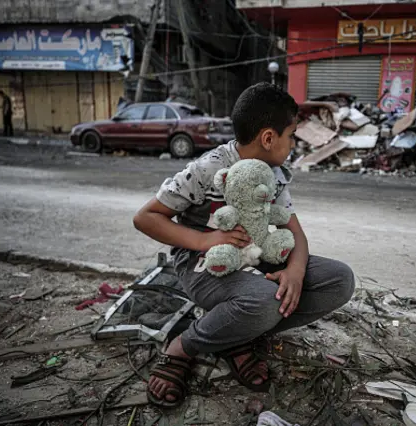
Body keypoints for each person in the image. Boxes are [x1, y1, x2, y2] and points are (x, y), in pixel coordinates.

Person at [133, 82, 355, 406]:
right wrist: (205, 239)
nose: (294, 144)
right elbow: (146, 217)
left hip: (256, 257)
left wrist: (294, 270)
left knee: (340, 280)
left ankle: (236, 335)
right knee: (265, 301)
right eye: (291, 135)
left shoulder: (274, 174)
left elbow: (296, 234)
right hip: (203, 263)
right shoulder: (209, 168)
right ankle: (183, 346)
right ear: (268, 138)